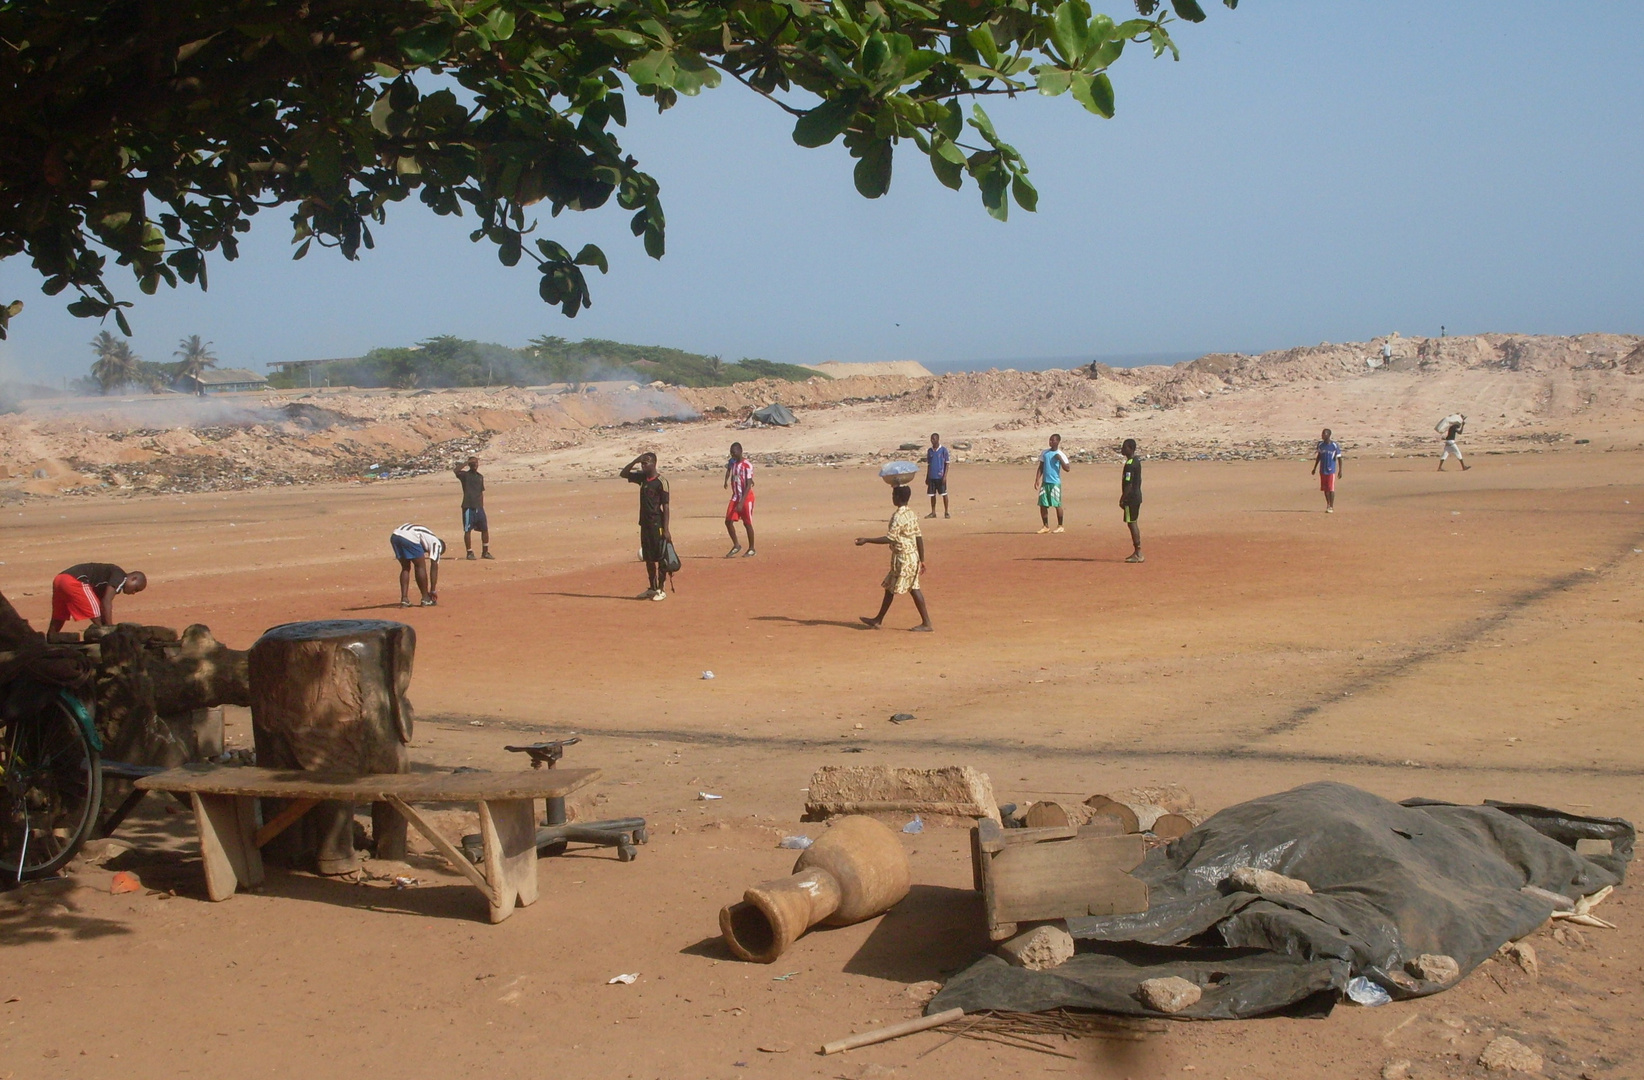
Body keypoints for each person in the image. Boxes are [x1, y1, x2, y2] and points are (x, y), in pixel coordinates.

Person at [856, 484, 932, 631]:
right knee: (891, 588)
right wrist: (922, 559)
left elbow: (890, 538)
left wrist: (867, 540)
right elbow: (919, 537)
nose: (892, 498)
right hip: (911, 556)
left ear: (897, 498)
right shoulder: (911, 513)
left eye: (893, 495)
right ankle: (878, 619)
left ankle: (927, 623)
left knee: (914, 589)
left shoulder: (898, 516)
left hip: (903, 558)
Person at [47, 563, 147, 639]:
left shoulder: (108, 579)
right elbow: (106, 601)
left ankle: (52, 637)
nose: (133, 592)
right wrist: (110, 628)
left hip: (59, 579)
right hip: (73, 580)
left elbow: (100, 601)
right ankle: (108, 637)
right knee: (97, 614)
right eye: (136, 589)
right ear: (134, 578)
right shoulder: (121, 577)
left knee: (59, 615)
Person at [620, 452, 672, 600]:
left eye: (645, 463)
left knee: (661, 557)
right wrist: (635, 460)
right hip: (645, 523)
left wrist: (666, 529)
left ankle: (661, 589)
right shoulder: (642, 478)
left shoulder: (661, 482)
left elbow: (666, 506)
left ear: (654, 463)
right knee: (648, 558)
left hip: (658, 524)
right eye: (642, 463)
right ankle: (652, 587)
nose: (643, 466)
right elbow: (623, 474)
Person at [390, 523, 443, 607]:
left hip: (395, 536)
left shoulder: (427, 537)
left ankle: (404, 599)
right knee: (420, 566)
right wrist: (433, 590)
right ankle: (425, 599)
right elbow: (434, 566)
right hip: (409, 537)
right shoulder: (437, 544)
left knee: (405, 567)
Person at [453, 456, 492, 560]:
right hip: (468, 506)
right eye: (473, 463)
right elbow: (456, 470)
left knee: (485, 529)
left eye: (476, 463)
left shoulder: (480, 477)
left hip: (479, 507)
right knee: (467, 530)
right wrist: (466, 462)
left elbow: (481, 492)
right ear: (470, 465)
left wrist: (481, 505)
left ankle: (485, 551)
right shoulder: (465, 476)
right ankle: (469, 552)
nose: (475, 465)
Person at [1033, 433, 1072, 533]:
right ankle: (1045, 526)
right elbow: (1041, 466)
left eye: (1053, 440)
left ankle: (1060, 525)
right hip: (1045, 483)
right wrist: (1037, 479)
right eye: (1050, 440)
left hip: (1055, 483)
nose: (1050, 442)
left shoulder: (1061, 454)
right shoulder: (1045, 453)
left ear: (1058, 442)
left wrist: (1060, 459)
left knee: (1056, 504)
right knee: (1043, 504)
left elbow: (1067, 469)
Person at [723, 442, 756, 558]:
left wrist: (742, 502)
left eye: (734, 452)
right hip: (735, 497)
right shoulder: (733, 463)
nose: (732, 455)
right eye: (731, 452)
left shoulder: (747, 465)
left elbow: (748, 485)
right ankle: (736, 545)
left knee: (747, 523)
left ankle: (752, 548)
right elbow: (733, 475)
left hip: (746, 498)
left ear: (740, 451)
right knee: (728, 521)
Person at [1119, 439, 1144, 563]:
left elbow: (1128, 484)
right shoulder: (1136, 461)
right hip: (1137, 496)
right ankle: (1137, 551)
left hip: (1131, 498)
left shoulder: (1130, 464)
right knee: (1132, 522)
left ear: (1130, 448)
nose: (1122, 449)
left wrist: (1123, 499)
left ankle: (1138, 552)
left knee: (1132, 523)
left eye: (1124, 447)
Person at [1311, 428, 1343, 512]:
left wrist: (1340, 470)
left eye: (1324, 434)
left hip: (1331, 470)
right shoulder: (1320, 445)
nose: (1322, 435)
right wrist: (1314, 468)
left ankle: (1331, 506)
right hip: (1322, 470)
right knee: (1325, 489)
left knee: (1331, 488)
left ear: (1328, 435)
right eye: (1322, 434)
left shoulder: (1334, 445)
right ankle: (1328, 504)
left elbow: (1339, 458)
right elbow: (1319, 456)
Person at [924, 433, 951, 519]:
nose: (932, 441)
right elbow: (929, 464)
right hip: (932, 476)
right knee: (932, 495)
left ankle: (946, 512)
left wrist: (944, 476)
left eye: (934, 439)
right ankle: (933, 512)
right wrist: (927, 476)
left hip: (940, 476)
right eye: (931, 439)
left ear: (938, 439)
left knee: (944, 494)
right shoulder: (930, 451)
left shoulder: (943, 450)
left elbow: (947, 464)